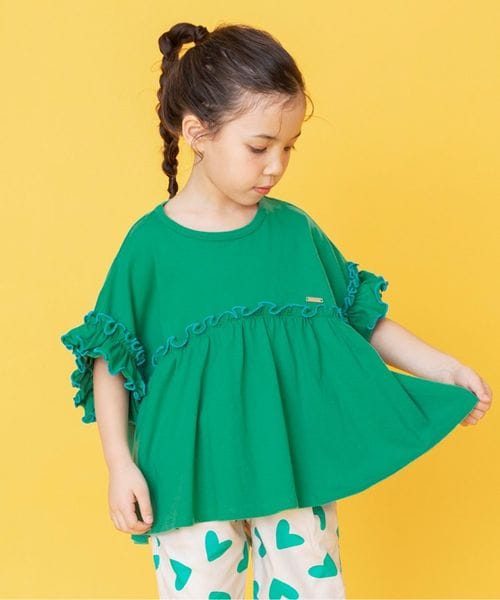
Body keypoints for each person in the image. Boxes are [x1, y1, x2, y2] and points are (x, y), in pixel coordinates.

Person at [60, 21, 493, 600]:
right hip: (189, 475)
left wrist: (443, 368)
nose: (276, 166)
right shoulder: (151, 247)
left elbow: (359, 320)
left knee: (311, 586)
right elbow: (110, 359)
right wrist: (120, 465)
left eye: (289, 147)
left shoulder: (294, 233)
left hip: (292, 462)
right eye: (259, 147)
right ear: (197, 133)